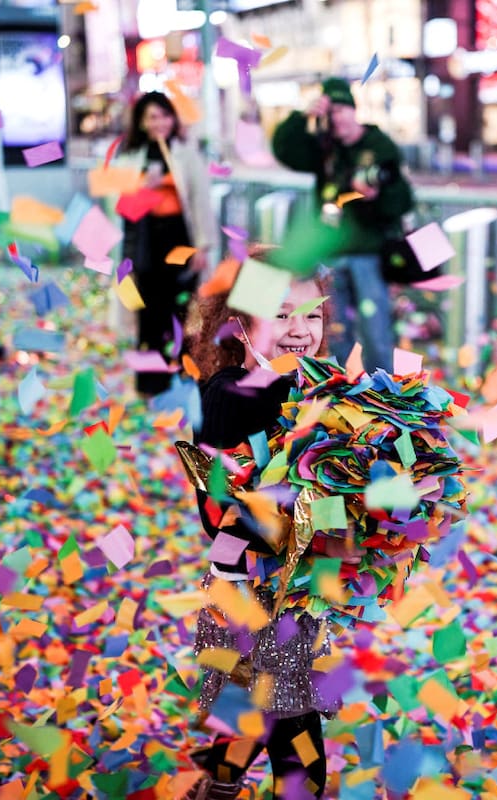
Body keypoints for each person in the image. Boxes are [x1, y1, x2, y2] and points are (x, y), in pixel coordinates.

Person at [182, 275, 344, 799]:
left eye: (313, 314)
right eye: (281, 313)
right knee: (295, 735)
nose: (300, 328)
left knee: (254, 709)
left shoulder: (320, 390)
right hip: (251, 594)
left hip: (297, 591)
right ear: (239, 326)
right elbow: (222, 511)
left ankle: (218, 783)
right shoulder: (227, 393)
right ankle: (226, 783)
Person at [271, 77, 413, 374]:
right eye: (330, 112)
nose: (336, 118)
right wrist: (303, 116)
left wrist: (375, 196)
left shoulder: (379, 145)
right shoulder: (325, 149)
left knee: (376, 332)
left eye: (341, 109)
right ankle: (344, 388)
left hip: (369, 254)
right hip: (331, 252)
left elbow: (402, 199)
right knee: (334, 331)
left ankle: (383, 390)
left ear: (353, 109)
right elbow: (284, 150)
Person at [110, 91, 215, 396]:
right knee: (149, 315)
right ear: (142, 122)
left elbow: (200, 203)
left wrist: (203, 246)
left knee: (184, 313)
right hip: (147, 246)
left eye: (165, 116)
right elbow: (121, 210)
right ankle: (151, 385)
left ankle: (184, 380)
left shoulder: (186, 154)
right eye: (152, 117)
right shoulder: (130, 158)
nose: (160, 123)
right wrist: (143, 188)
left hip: (180, 241)